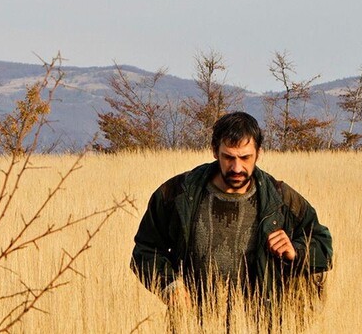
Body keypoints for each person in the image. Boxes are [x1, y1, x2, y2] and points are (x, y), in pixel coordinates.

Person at [130, 112, 332, 321]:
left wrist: (296, 252)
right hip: (192, 323)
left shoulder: (280, 199)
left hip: (259, 324)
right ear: (215, 151)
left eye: (245, 158)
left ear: (258, 153)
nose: (237, 167)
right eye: (228, 157)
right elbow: (145, 250)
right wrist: (170, 286)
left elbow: (323, 246)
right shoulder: (177, 194)